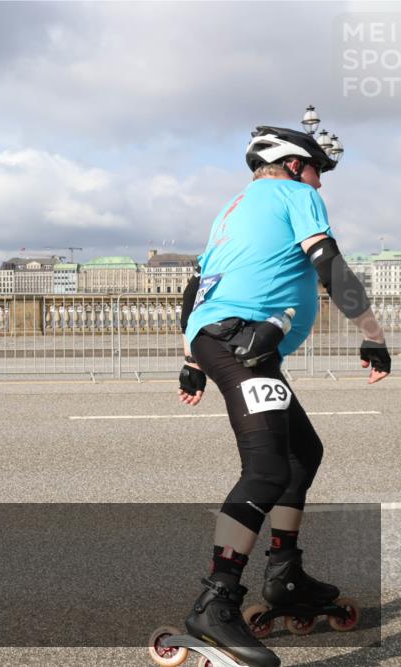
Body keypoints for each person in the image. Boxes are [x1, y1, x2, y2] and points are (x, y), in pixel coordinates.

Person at [175, 123, 391, 667]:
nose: (321, 183)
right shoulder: (295, 195)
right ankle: (216, 602)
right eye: (318, 170)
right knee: (267, 470)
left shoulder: (232, 209)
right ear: (296, 166)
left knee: (303, 453)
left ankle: (284, 573)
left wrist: (192, 361)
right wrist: (373, 335)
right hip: (242, 343)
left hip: (231, 341)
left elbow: (195, 288)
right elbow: (330, 266)